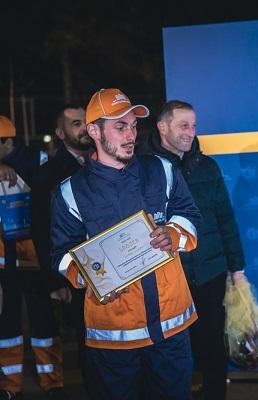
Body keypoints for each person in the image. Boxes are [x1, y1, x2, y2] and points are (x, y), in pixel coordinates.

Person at [50, 88, 202, 400]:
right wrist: (94, 279)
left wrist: (173, 234)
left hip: (170, 326)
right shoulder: (69, 192)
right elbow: (61, 255)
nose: (131, 135)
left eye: (133, 126)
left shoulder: (161, 169)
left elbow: (189, 214)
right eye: (120, 127)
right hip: (113, 334)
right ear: (94, 131)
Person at [143, 100, 245, 400]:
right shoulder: (143, 169)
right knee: (172, 354)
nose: (191, 132)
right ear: (162, 127)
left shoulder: (207, 166)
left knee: (212, 348)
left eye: (194, 126)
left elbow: (226, 219)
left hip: (210, 275)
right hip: (169, 278)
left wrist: (237, 268)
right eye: (183, 125)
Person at [0, 116, 67, 400]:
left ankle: (53, 382)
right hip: (4, 262)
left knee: (44, 322)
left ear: (7, 141)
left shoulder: (38, 161)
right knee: (7, 325)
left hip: (35, 258)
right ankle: (9, 385)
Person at [30, 105, 92, 393]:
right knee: (88, 344)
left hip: (112, 268)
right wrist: (55, 280)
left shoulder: (105, 163)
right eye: (76, 123)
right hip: (75, 272)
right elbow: (42, 232)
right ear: (60, 133)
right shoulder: (47, 175)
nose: (84, 128)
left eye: (86, 122)